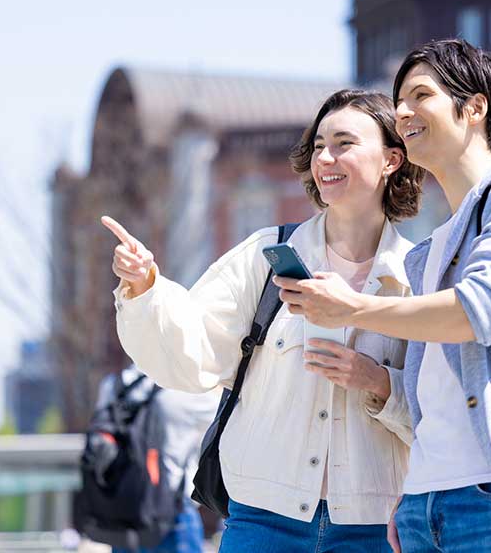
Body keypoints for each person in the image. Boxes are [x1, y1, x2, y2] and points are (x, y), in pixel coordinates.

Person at [274, 39, 491, 552]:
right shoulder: (430, 250)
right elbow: (433, 394)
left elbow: (479, 311)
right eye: (398, 100)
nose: (401, 112)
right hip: (424, 505)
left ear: (473, 108)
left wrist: (354, 307)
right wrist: (412, 494)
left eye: (420, 95)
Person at [103, 89, 426, 552]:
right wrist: (146, 285)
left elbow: (440, 413)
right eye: (318, 146)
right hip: (263, 523)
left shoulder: (417, 275)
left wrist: (377, 382)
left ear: (392, 160)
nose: (325, 158)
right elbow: (195, 344)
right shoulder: (265, 255)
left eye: (344, 143)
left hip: (375, 529)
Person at [92, 366, 218, 553]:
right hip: (173, 511)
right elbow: (226, 420)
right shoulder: (186, 389)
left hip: (124, 512)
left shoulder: (113, 385)